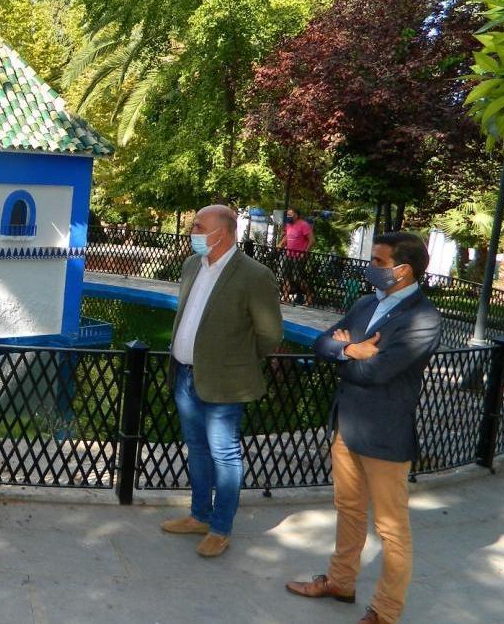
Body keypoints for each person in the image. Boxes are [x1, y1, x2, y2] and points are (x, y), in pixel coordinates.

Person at [286, 232, 441, 624]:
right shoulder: (364, 304)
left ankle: (385, 613)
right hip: (346, 425)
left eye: (378, 261)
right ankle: (340, 582)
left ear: (403, 270)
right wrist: (352, 349)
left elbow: (379, 372)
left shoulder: (424, 318)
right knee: (348, 510)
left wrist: (347, 354)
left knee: (392, 530)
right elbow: (321, 344)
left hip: (385, 435)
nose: (370, 267)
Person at [160, 205, 283, 557]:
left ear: (223, 233)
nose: (192, 230)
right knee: (197, 449)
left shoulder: (253, 275)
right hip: (185, 376)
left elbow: (270, 334)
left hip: (226, 384)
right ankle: (199, 515)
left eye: (199, 225)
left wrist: (236, 361)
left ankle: (220, 527)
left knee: (225, 454)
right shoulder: (190, 266)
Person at [277, 207, 315, 305]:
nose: (288, 216)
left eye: (290, 215)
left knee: (299, 279)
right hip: (288, 254)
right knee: (285, 277)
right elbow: (287, 236)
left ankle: (309, 296)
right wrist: (281, 244)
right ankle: (285, 297)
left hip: (299, 256)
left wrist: (305, 252)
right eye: (287, 215)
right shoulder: (288, 225)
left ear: (296, 215)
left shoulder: (304, 225)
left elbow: (312, 240)